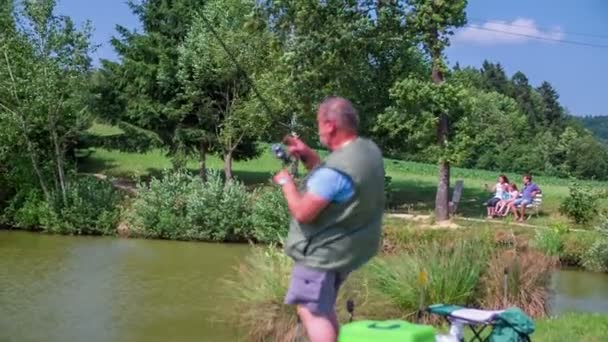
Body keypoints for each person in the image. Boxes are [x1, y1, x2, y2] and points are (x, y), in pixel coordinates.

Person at [272, 96, 385, 342]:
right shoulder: (368, 152)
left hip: (322, 253)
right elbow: (337, 184)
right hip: (348, 248)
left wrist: (286, 183)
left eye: (319, 123)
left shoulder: (334, 173)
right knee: (323, 308)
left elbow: (303, 212)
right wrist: (308, 156)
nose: (318, 129)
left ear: (330, 125)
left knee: (311, 310)